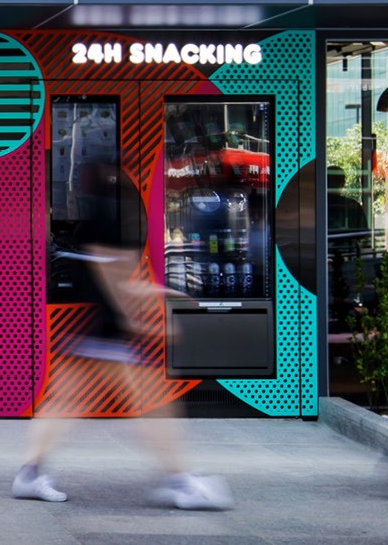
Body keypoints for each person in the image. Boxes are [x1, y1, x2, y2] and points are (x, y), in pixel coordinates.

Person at [12, 159, 232, 511]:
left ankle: (28, 474)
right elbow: (117, 286)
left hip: (94, 335)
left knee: (64, 404)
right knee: (154, 404)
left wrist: (163, 294)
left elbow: (120, 280)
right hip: (109, 337)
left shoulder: (102, 217)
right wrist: (147, 326)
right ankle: (181, 481)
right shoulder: (110, 219)